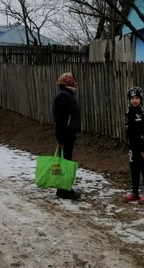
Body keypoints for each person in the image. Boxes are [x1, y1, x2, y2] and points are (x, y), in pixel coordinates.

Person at [53, 72, 82, 200]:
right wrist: (61, 138)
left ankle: (62, 188)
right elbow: (59, 119)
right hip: (65, 135)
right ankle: (65, 190)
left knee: (66, 161)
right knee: (65, 162)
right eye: (71, 80)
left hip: (68, 134)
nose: (73, 82)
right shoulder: (63, 96)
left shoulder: (67, 94)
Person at [124, 86, 144, 205]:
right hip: (132, 143)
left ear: (140, 98)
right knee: (133, 167)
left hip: (143, 144)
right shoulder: (128, 110)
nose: (134, 100)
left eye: (137, 98)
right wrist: (128, 133)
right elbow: (126, 123)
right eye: (132, 98)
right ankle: (135, 191)